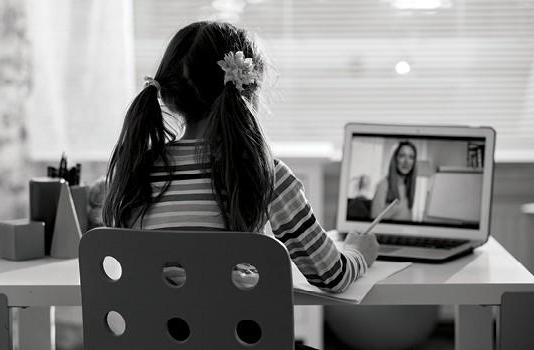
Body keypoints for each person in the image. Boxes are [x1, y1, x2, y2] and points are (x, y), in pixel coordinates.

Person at [102, 20, 378, 315]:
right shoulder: (266, 173)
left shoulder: (135, 172)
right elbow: (330, 275)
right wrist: (358, 253)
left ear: (167, 96)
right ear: (249, 90)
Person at [371, 141, 417, 221]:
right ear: (395, 158)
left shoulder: (408, 187)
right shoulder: (384, 185)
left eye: (411, 157)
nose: (406, 161)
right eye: (402, 156)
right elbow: (374, 221)